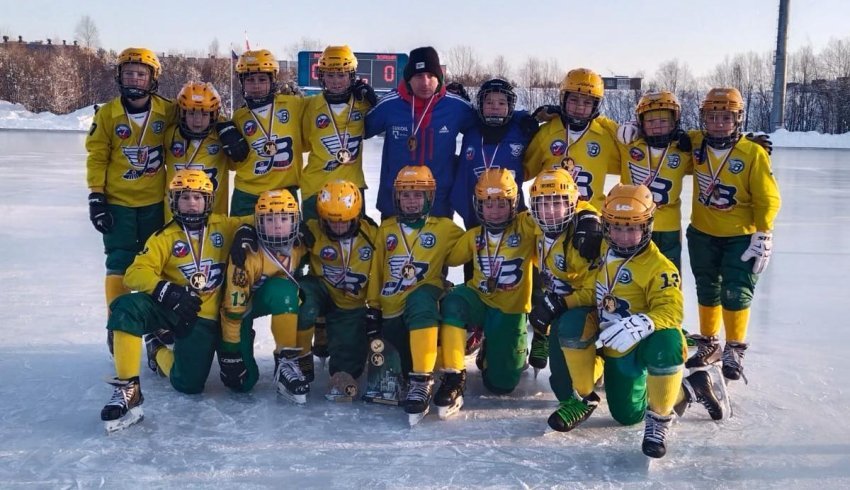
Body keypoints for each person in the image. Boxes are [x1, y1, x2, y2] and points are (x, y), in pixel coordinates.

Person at [556, 184, 722, 458]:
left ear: (646, 227)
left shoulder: (659, 268)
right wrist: (563, 302)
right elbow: (592, 291)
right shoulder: (602, 254)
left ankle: (661, 418)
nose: (623, 236)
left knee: (669, 342)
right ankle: (691, 387)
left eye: (632, 228)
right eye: (617, 228)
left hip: (642, 344)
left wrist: (643, 323)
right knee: (626, 415)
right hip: (610, 340)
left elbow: (672, 309)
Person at [100, 170, 248, 432]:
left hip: (206, 317)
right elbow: (134, 274)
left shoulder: (223, 227)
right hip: (174, 309)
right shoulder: (163, 237)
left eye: (198, 197)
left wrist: (250, 230)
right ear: (173, 202)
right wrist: (165, 289)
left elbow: (264, 220)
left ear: (209, 201)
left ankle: (157, 349)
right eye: (185, 197)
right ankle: (128, 389)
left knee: (188, 384)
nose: (192, 203)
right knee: (125, 308)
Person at [685, 88, 781, 384]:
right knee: (706, 287)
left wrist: (764, 233)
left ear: (737, 119)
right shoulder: (695, 144)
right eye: (712, 117)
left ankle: (735, 347)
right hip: (702, 231)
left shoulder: (751, 153)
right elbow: (661, 138)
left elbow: (767, 197)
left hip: (740, 234)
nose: (718, 123)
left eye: (725, 117)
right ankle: (710, 342)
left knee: (736, 290)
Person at [85, 47, 177, 353]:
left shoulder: (168, 111)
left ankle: (157, 323)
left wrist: (225, 126)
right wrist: (96, 196)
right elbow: (97, 156)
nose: (134, 78)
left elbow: (198, 117)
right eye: (129, 73)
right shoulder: (108, 114)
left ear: (153, 79)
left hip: (155, 202)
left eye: (141, 73)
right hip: (119, 202)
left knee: (157, 265)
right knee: (120, 263)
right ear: (119, 77)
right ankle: (117, 322)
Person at [366, 165, 464, 424]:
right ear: (396, 198)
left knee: (422, 299)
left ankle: (423, 380)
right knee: (397, 360)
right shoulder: (385, 229)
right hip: (391, 311)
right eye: (405, 195)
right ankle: (420, 371)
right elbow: (376, 271)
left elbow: (475, 245)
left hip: (421, 304)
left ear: (430, 197)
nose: (411, 201)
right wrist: (373, 306)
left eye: (418, 195)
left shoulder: (444, 228)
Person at [439, 168, 537, 417]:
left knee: (501, 385)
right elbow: (447, 258)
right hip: (478, 298)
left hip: (510, 308)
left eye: (502, 204)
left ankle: (493, 351)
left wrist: (586, 217)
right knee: (452, 303)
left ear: (514, 203)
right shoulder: (474, 236)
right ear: (478, 204)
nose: (495, 210)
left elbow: (552, 211)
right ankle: (454, 374)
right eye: (488, 204)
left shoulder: (524, 227)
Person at [523, 168, 604, 423]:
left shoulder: (583, 237)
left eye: (557, 203)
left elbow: (596, 291)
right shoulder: (534, 225)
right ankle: (543, 335)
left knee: (568, 382)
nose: (549, 211)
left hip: (588, 307)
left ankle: (601, 361)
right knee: (560, 385)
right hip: (557, 299)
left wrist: (590, 214)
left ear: (572, 203)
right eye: (542, 204)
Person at [218, 189, 310, 402]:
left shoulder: (302, 244)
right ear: (257, 222)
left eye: (284, 218)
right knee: (243, 382)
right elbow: (233, 309)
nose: (278, 225)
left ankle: (287, 361)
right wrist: (230, 350)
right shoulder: (246, 252)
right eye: (269, 219)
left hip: (273, 298)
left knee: (286, 291)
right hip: (238, 312)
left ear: (296, 221)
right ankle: (157, 347)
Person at [365, 46, 477, 219]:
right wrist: (353, 98)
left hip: (438, 206)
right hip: (395, 205)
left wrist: (519, 121)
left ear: (439, 78)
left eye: (431, 76)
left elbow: (489, 125)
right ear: (408, 78)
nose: (425, 82)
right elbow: (357, 129)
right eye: (418, 76)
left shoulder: (457, 107)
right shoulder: (390, 104)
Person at [297, 180, 378, 401]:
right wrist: (293, 235)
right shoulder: (311, 231)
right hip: (321, 291)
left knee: (348, 365)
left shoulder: (373, 235)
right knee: (298, 298)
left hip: (351, 306)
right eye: (331, 222)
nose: (338, 227)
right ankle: (299, 358)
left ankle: (336, 351)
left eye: (344, 222)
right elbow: (285, 262)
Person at [613, 91, 693, 272]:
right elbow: (602, 128)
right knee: (631, 277)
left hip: (667, 227)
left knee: (669, 275)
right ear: (641, 123)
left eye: (663, 121)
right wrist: (626, 125)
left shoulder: (682, 149)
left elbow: (713, 141)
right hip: (630, 226)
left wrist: (745, 140)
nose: (657, 127)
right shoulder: (629, 145)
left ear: (675, 122)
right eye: (650, 122)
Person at [523, 68, 622, 213]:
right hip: (551, 216)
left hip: (592, 217)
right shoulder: (546, 133)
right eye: (574, 100)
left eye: (587, 103)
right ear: (563, 99)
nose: (580, 107)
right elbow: (524, 171)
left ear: (595, 106)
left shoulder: (604, 137)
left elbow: (632, 163)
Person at [300, 45, 377, 222]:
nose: (336, 81)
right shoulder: (309, 106)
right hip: (316, 187)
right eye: (330, 75)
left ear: (351, 76)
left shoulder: (363, 104)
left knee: (351, 247)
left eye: (341, 75)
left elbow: (386, 120)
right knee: (316, 245)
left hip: (352, 188)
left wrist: (374, 101)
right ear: (322, 76)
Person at [229, 49, 307, 216]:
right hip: (247, 195)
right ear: (242, 82)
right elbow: (233, 162)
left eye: (262, 79)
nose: (256, 85)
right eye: (250, 80)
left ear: (273, 79)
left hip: (284, 194)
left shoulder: (294, 104)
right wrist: (222, 126)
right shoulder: (239, 117)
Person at [164, 81, 233, 220]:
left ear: (214, 115)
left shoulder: (221, 138)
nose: (197, 121)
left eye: (205, 114)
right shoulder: (170, 135)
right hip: (174, 220)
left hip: (213, 220)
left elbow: (239, 164)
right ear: (182, 113)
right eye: (191, 113)